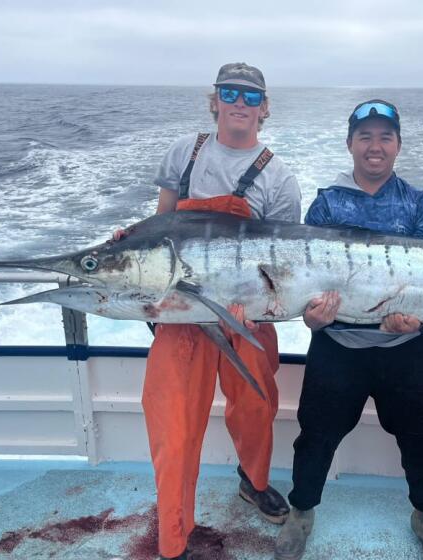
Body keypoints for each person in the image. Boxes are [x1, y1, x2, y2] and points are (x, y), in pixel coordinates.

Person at [274, 99, 423, 560]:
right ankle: (301, 512)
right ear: (350, 144)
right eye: (365, 137)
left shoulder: (418, 204)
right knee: (315, 436)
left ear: (398, 145)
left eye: (385, 137)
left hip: (403, 347)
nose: (375, 147)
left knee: (421, 438)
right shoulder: (326, 204)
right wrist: (311, 317)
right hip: (337, 344)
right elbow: (305, 281)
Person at [137, 62, 301, 560]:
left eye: (251, 97)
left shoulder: (278, 177)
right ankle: (173, 539)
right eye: (230, 92)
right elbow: (161, 224)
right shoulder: (183, 155)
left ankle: (253, 482)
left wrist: (264, 306)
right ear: (214, 100)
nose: (239, 103)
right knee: (174, 424)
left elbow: (288, 261)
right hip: (181, 317)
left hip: (247, 315)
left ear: (265, 109)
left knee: (256, 408)